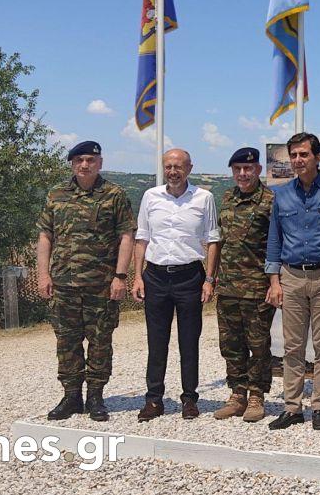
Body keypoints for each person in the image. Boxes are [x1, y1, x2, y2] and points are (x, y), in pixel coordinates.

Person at [36, 141, 135, 422]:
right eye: (79, 160)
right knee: (66, 342)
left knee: (100, 341)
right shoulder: (56, 195)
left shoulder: (114, 195)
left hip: (101, 285)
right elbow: (45, 236)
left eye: (90, 160)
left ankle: (95, 396)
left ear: (100, 163)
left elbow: (126, 236)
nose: (84, 165)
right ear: (71, 163)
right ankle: (71, 396)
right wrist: (43, 275)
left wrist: (120, 276)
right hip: (64, 285)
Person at [264, 133, 320, 432]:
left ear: (317, 158)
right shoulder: (281, 194)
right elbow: (275, 237)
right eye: (294, 155)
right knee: (293, 346)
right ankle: (292, 407)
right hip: (291, 276)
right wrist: (274, 280)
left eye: (304, 155)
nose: (298, 160)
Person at [131, 148, 221, 421]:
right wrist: (137, 276)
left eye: (178, 167)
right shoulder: (150, 197)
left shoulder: (204, 198)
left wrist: (209, 279)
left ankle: (189, 398)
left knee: (189, 341)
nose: (173, 172)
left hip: (190, 277)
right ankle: (154, 399)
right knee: (156, 342)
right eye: (168, 166)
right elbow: (142, 238)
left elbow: (213, 239)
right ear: (163, 167)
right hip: (155, 276)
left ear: (189, 168)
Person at [212, 147, 275, 422]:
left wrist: (275, 283)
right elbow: (218, 241)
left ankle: (257, 395)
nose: (242, 174)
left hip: (257, 287)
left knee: (258, 345)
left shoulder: (270, 201)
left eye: (248, 169)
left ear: (258, 170)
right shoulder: (226, 199)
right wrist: (210, 278)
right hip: (227, 288)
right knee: (231, 343)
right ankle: (237, 394)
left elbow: (276, 245)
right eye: (237, 169)